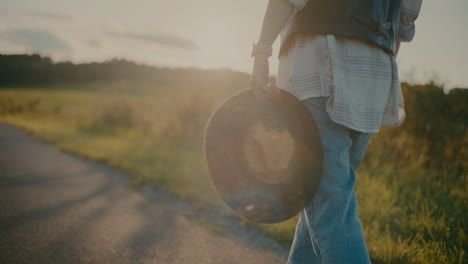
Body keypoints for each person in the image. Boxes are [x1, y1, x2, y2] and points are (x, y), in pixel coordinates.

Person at [250, 0, 422, 263]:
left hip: (318, 68)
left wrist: (262, 52)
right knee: (325, 203)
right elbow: (405, 19)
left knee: (330, 211)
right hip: (373, 76)